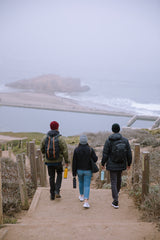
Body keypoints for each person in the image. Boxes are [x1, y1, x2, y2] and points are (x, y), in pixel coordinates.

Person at [101, 123, 132, 209]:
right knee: (119, 179)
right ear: (119, 130)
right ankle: (116, 194)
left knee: (113, 181)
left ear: (112, 130)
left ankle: (115, 200)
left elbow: (105, 154)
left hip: (112, 164)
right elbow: (129, 153)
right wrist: (129, 164)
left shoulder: (109, 141)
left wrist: (103, 163)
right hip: (121, 163)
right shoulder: (125, 140)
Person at [40, 121, 69, 200]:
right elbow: (65, 150)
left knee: (51, 177)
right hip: (58, 161)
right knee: (59, 174)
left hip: (49, 161)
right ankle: (57, 191)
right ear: (57, 127)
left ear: (50, 127)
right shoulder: (60, 138)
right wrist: (66, 161)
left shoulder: (45, 137)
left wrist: (45, 155)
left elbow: (42, 148)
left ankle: (52, 194)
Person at [72, 135, 98, 208]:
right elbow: (95, 159)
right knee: (87, 185)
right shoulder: (90, 149)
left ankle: (81, 196)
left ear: (80, 141)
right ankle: (86, 202)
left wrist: (74, 173)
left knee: (80, 182)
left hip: (79, 170)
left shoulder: (76, 150)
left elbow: (74, 162)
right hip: (88, 170)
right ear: (86, 141)